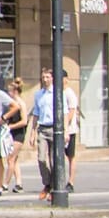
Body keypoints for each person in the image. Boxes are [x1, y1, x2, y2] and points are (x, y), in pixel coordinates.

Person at [29, 67, 79, 200]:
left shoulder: (59, 93)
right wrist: (32, 132)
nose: (45, 80)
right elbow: (35, 114)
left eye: (47, 77)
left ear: (52, 78)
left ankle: (54, 188)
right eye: (43, 77)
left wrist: (66, 131)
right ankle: (48, 183)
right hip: (43, 128)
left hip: (55, 129)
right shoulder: (38, 94)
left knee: (54, 160)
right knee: (41, 159)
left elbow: (65, 112)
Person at [2, 77, 29, 193]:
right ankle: (19, 183)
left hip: (18, 134)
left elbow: (24, 121)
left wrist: (11, 127)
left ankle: (5, 184)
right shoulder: (12, 104)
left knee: (10, 158)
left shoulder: (21, 104)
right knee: (15, 159)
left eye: (9, 91)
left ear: (15, 91)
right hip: (11, 134)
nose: (8, 94)